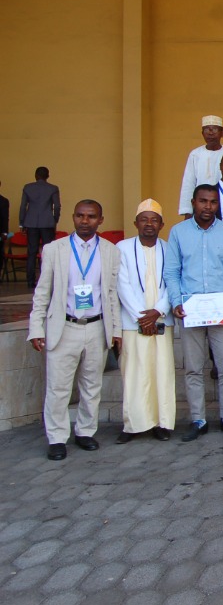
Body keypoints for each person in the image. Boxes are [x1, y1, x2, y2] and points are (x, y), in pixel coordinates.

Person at [28, 200, 122, 460]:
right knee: (58, 387)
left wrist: (116, 330)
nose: (85, 221)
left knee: (92, 385)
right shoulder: (54, 249)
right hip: (64, 327)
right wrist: (36, 328)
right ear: (73, 217)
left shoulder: (110, 251)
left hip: (95, 327)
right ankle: (57, 437)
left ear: (100, 220)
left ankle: (85, 431)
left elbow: (112, 294)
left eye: (91, 216)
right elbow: (42, 292)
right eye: (80, 215)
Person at [163, 184, 223, 441]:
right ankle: (198, 420)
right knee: (193, 369)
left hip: (222, 313)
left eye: (213, 202)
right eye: (203, 201)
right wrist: (176, 302)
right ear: (193, 202)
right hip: (190, 312)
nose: (208, 207)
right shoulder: (178, 232)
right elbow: (172, 271)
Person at [115, 199, 175, 444]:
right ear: (135, 223)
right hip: (134, 321)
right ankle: (134, 425)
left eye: (154, 220)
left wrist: (158, 311)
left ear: (162, 224)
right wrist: (142, 317)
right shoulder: (122, 248)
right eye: (144, 219)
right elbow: (122, 284)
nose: (149, 224)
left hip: (161, 320)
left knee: (162, 371)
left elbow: (174, 282)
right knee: (134, 372)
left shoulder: (169, 248)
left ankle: (163, 423)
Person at [179, 115, 223, 216]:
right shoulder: (195, 154)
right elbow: (188, 183)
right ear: (202, 133)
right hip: (201, 206)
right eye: (206, 129)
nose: (210, 132)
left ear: (222, 133)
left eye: (214, 129)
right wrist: (188, 211)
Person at [19, 166, 61, 287]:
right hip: (47, 223)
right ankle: (46, 281)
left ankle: (30, 281)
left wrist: (22, 222)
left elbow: (23, 206)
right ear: (48, 176)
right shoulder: (53, 188)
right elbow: (57, 207)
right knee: (48, 252)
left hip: (31, 223)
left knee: (31, 252)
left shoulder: (28, 187)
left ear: (35, 175)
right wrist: (55, 220)